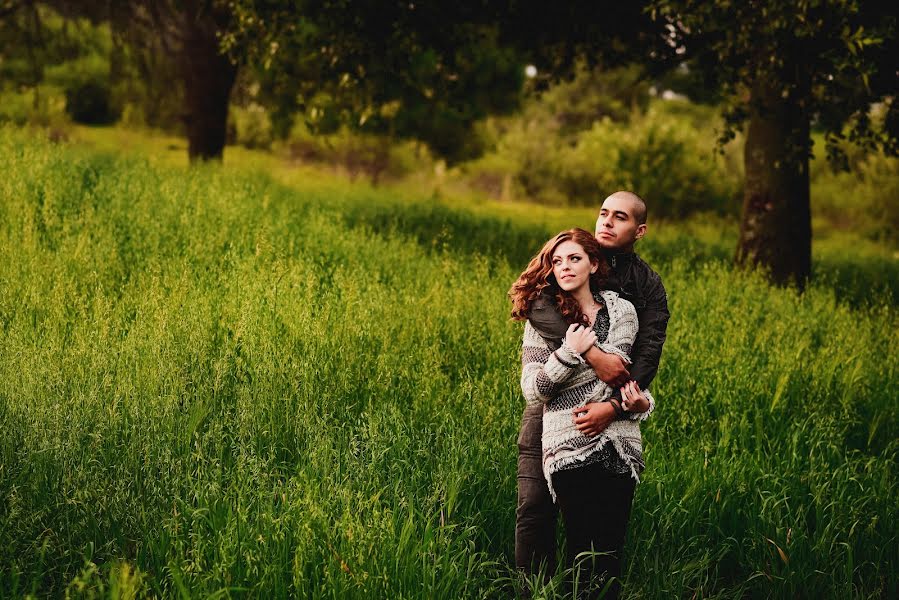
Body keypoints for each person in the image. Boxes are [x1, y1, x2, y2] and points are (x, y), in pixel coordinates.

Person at [512, 191, 670, 595]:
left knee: (598, 528)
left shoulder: (646, 287)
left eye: (619, 217)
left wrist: (615, 407)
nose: (607, 222)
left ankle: (590, 588)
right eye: (603, 213)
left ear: (640, 231)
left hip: (611, 412)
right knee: (534, 507)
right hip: (553, 402)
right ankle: (534, 591)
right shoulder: (572, 254)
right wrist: (594, 355)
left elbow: (647, 354)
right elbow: (538, 304)